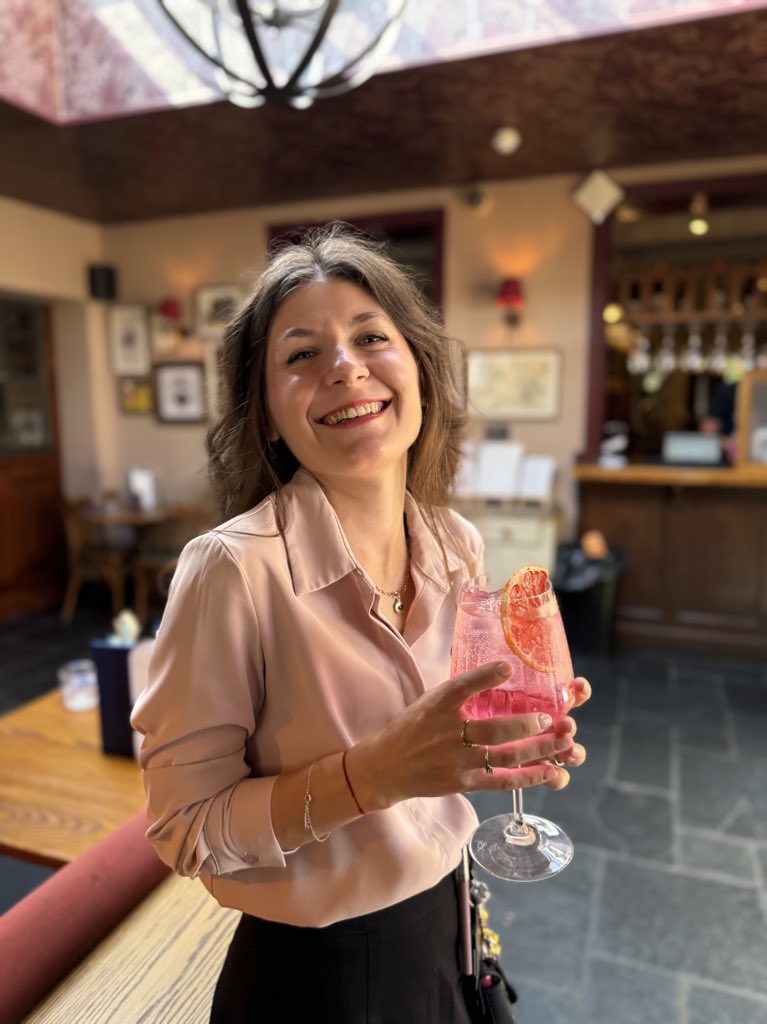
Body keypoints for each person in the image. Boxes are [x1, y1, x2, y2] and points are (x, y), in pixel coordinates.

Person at [131, 225, 590, 1023]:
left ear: (417, 371)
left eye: (370, 337)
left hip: (451, 921)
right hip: (319, 977)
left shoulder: (455, 542)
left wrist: (502, 746)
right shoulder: (231, 570)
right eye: (301, 354)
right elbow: (185, 830)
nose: (344, 366)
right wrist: (369, 775)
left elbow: (450, 728)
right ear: (269, 416)